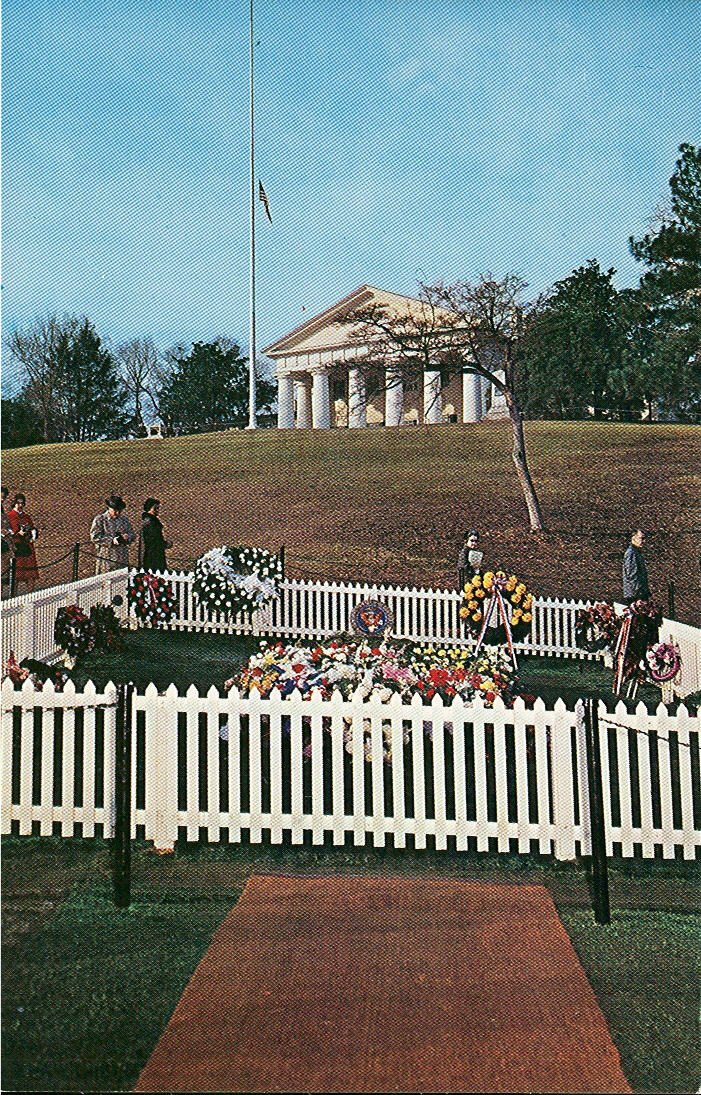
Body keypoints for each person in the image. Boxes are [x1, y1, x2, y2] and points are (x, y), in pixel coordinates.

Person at [90, 495, 136, 575]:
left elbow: (132, 534)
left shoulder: (124, 520)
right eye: (115, 510)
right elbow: (95, 537)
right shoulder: (100, 519)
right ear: (108, 508)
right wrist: (112, 540)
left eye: (120, 510)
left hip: (122, 556)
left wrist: (128, 537)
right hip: (107, 556)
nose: (117, 513)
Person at [7, 493, 39, 592]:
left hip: (27, 546)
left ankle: (30, 596)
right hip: (17, 546)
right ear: (14, 503)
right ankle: (13, 597)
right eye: (18, 503)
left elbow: (32, 528)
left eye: (22, 503)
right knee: (16, 574)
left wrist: (33, 535)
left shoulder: (26, 517)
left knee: (31, 574)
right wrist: (17, 533)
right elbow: (8, 531)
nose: (20, 505)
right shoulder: (9, 516)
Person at [141, 497, 172, 572]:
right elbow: (153, 539)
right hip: (153, 554)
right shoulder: (150, 521)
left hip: (155, 551)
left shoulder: (151, 520)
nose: (157, 510)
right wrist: (165, 544)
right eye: (155, 508)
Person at [623, 529, 650, 604]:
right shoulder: (631, 553)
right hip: (635, 595)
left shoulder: (636, 552)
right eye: (641, 538)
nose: (644, 541)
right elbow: (632, 575)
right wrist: (639, 595)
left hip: (637, 593)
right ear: (633, 538)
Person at [1, 487, 16, 593]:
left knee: (2, 575)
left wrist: (8, 531)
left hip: (4, 546)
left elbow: (8, 527)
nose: (2, 500)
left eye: (3, 498)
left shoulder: (3, 513)